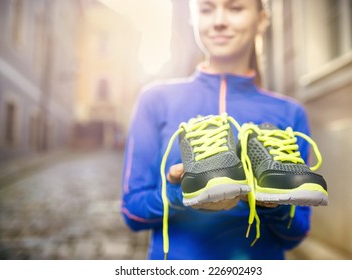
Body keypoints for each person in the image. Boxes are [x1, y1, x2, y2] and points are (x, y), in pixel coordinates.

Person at [121, 0, 313, 260]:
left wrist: (270, 203)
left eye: (235, 8)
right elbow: (132, 212)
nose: (219, 20)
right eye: (206, 9)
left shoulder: (289, 114)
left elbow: (296, 234)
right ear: (193, 18)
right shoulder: (155, 100)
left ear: (261, 20)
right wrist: (181, 193)